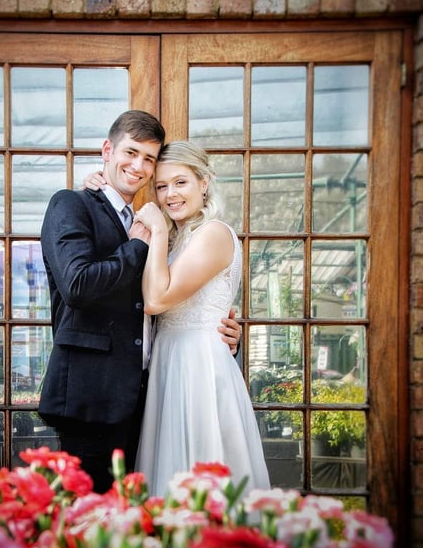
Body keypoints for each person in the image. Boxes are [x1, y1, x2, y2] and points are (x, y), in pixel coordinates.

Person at [38, 111, 241, 493]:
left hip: (150, 397)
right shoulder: (72, 205)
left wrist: (224, 337)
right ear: (107, 150)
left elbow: (177, 299)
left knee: (138, 518)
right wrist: (137, 246)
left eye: (149, 159)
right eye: (130, 153)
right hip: (92, 400)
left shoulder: (160, 227)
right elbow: (77, 284)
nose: (138, 166)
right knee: (91, 524)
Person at [132, 140, 270, 498]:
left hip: (198, 367)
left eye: (180, 182)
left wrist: (158, 230)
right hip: (169, 360)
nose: (169, 195)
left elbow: (156, 299)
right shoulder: (181, 238)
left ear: (204, 182)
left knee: (205, 475)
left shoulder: (214, 234)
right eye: (161, 186)